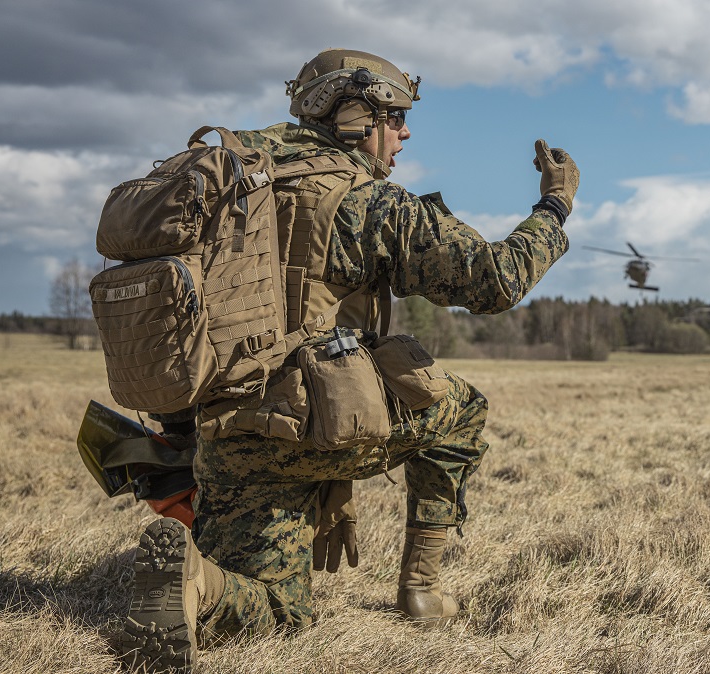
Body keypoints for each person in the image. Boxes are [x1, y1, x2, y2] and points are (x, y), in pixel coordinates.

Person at [114, 48, 579, 673]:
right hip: (319, 427)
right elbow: (495, 280)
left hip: (223, 433)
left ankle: (198, 583)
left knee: (279, 609)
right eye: (396, 117)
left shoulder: (232, 179)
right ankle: (421, 591)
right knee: (463, 411)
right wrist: (554, 206)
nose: (405, 132)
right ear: (356, 115)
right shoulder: (367, 202)